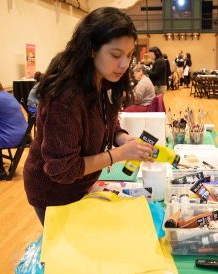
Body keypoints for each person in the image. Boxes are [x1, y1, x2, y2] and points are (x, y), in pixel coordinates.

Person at [23, 7, 154, 225]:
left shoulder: (102, 79)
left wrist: (120, 137)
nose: (124, 64)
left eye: (129, 55)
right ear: (91, 49)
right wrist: (119, 154)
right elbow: (62, 170)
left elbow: (105, 120)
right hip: (54, 193)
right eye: (115, 55)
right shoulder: (66, 96)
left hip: (81, 185)